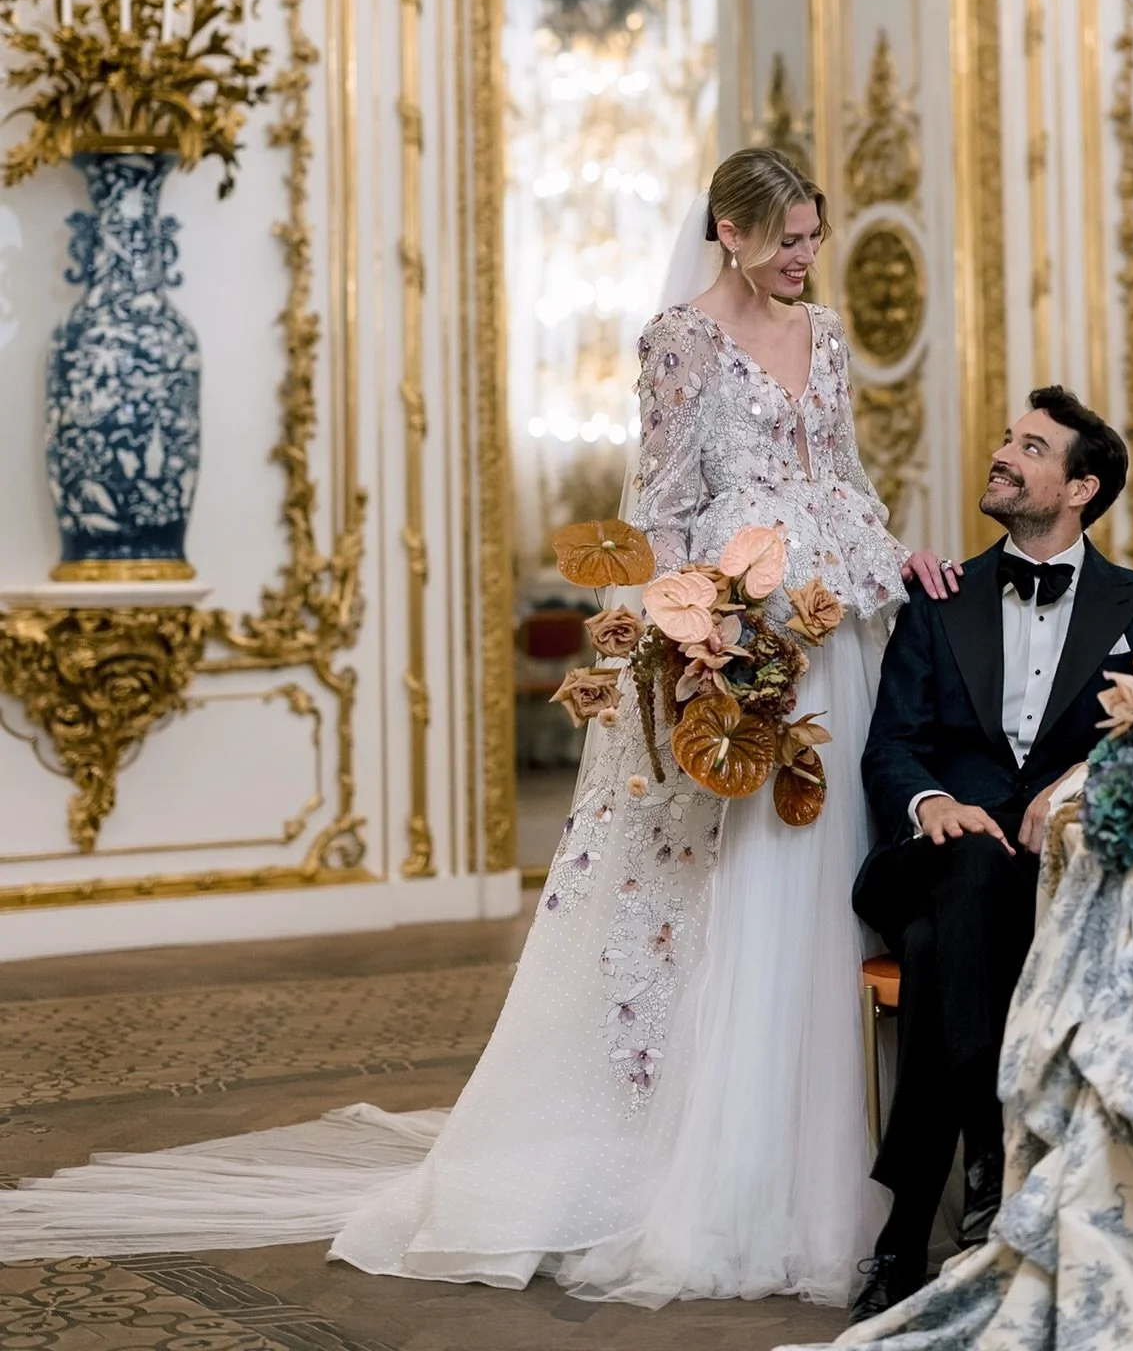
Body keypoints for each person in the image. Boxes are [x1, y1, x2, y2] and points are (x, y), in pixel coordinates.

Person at [0, 147, 959, 1314]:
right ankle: (722, 1172)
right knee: (746, 884)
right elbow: (660, 506)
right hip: (740, 625)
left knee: (820, 883)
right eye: (788, 238)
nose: (807, 257)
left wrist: (892, 552)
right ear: (728, 231)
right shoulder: (678, 342)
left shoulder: (831, 335)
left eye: (815, 233)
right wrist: (691, 629)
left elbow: (845, 476)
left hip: (836, 625)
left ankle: (829, 1159)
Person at [848, 386, 1133, 1324]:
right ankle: (991, 1172)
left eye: (1031, 447)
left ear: (1080, 487)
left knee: (942, 944)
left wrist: (1074, 782)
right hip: (932, 856)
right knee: (967, 865)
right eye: (1008, 438)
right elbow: (889, 747)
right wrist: (933, 805)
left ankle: (903, 1230)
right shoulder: (941, 598)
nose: (1003, 454)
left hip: (1053, 878)